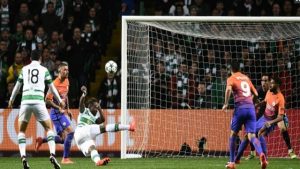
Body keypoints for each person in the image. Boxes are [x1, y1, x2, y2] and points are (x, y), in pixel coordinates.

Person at [8, 50, 65, 169]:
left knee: (22, 131)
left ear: (30, 58)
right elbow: (52, 88)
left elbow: (17, 86)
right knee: (49, 128)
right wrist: (60, 101)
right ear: (40, 58)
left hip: (25, 101)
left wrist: (11, 99)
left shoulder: (24, 69)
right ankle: (52, 155)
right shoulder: (44, 70)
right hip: (39, 101)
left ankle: (23, 157)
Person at [74, 86, 135, 166]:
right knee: (105, 128)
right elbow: (81, 103)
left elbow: (102, 120)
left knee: (92, 148)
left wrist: (99, 109)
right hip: (81, 130)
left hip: (81, 140)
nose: (96, 108)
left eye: (97, 107)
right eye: (95, 107)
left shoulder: (95, 118)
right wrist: (84, 94)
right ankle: (129, 127)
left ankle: (98, 161)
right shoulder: (84, 111)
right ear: (90, 106)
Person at [222, 60, 267, 169]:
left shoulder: (231, 78)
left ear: (231, 70)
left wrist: (226, 103)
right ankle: (261, 154)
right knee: (251, 135)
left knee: (233, 134)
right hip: (251, 109)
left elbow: (228, 90)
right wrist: (252, 103)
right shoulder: (246, 78)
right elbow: (256, 93)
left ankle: (232, 162)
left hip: (240, 109)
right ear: (240, 69)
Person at [235, 77, 287, 163]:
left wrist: (270, 122)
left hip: (271, 121)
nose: (270, 85)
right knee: (247, 135)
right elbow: (265, 101)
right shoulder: (269, 92)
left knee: (260, 134)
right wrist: (256, 105)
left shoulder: (280, 98)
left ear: (277, 85)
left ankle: (264, 159)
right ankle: (237, 158)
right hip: (263, 118)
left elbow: (280, 117)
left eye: (272, 83)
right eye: (270, 82)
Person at [245, 75, 297, 160]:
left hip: (278, 115)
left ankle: (290, 151)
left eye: (266, 81)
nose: (264, 83)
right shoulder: (261, 90)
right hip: (265, 114)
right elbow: (262, 101)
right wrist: (255, 105)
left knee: (283, 128)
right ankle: (253, 153)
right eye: (262, 81)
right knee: (252, 131)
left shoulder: (279, 97)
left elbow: (280, 115)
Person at [35, 61, 75, 164]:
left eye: (68, 69)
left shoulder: (67, 81)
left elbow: (66, 97)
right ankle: (65, 158)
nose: (67, 71)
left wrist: (68, 109)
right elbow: (47, 100)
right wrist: (58, 107)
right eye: (64, 69)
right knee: (71, 132)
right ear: (59, 71)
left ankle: (42, 140)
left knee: (63, 139)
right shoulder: (54, 84)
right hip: (56, 114)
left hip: (61, 113)